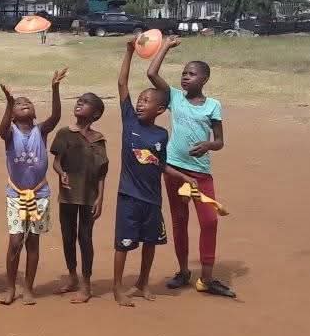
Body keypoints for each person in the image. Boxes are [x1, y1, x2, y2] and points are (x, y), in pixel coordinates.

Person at [146, 38, 235, 298]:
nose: (185, 78)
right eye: (184, 73)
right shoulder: (174, 97)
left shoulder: (212, 106)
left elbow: (220, 142)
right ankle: (184, 271)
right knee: (179, 222)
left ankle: (207, 278)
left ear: (204, 79)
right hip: (174, 170)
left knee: (209, 221)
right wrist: (165, 47)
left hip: (200, 172)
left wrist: (208, 144)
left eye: (191, 74)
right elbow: (152, 73)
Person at [113, 37, 193, 307]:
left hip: (152, 200)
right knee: (123, 245)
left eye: (146, 101)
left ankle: (142, 283)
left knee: (150, 243)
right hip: (128, 197)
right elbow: (123, 84)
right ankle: (117, 288)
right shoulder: (129, 121)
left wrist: (183, 177)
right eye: (140, 99)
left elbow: (161, 165)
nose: (140, 103)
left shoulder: (161, 133)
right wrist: (128, 52)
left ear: (159, 109)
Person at [0, 69, 67, 305]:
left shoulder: (41, 130)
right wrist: (8, 103)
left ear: (35, 112)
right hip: (15, 194)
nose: (24, 103)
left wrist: (55, 88)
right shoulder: (10, 132)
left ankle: (28, 288)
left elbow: (56, 116)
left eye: (27, 102)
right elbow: (1, 129)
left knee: (32, 242)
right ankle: (10, 288)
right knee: (15, 241)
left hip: (40, 193)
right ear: (13, 114)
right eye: (18, 104)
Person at [50, 92, 108, 304]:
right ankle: (72, 276)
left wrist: (100, 198)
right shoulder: (64, 133)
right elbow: (57, 161)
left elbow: (102, 173)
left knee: (85, 238)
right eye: (78, 102)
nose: (79, 104)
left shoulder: (99, 139)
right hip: (67, 196)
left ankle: (86, 284)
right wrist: (61, 172)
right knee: (67, 237)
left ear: (96, 113)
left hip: (88, 198)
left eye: (85, 103)